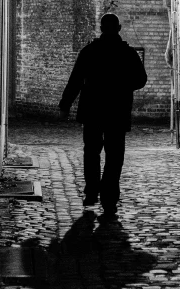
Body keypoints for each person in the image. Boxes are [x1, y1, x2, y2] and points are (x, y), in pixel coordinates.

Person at [59, 13, 147, 217]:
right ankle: (109, 199)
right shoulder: (128, 54)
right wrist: (123, 87)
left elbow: (76, 80)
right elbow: (141, 79)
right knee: (114, 156)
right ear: (119, 28)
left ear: (101, 28)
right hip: (117, 110)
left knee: (91, 152)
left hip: (92, 110)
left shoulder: (89, 51)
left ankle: (91, 193)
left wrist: (65, 105)